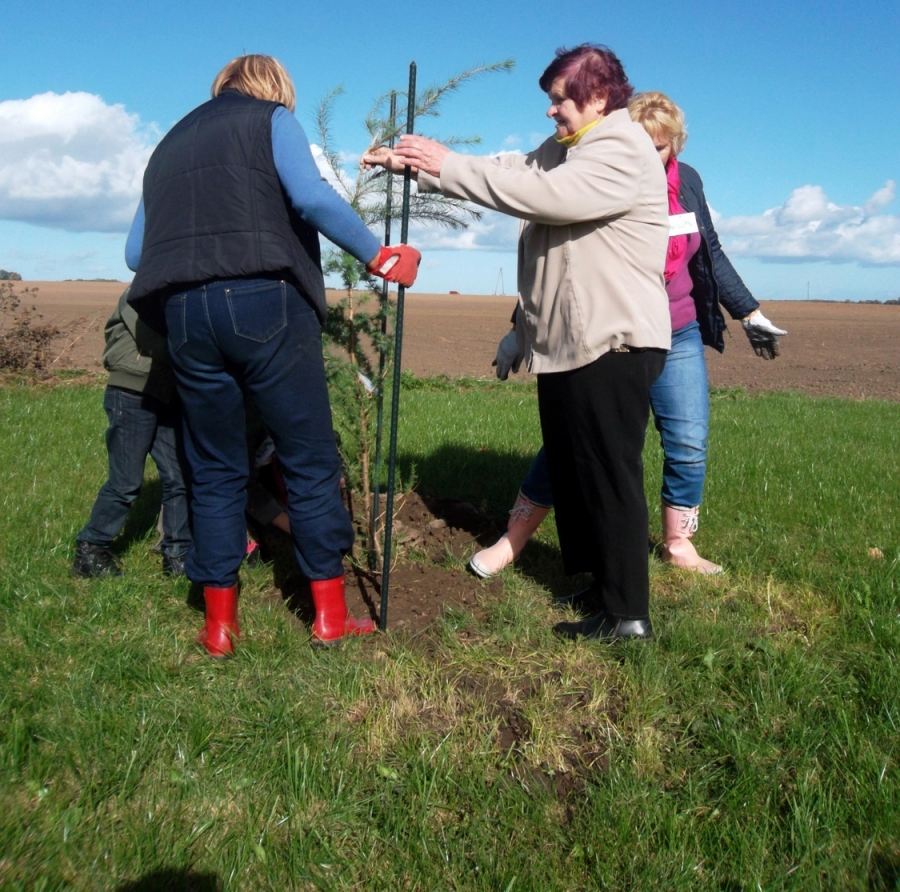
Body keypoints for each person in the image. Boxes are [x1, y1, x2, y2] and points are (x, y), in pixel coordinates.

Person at [365, 44, 670, 641]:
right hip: (570, 342)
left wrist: (447, 163)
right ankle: (603, 585)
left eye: (561, 99)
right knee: (576, 468)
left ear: (600, 96)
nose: (552, 112)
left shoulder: (621, 146)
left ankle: (627, 613)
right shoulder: (568, 149)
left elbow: (547, 197)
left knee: (608, 474)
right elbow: (517, 170)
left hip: (613, 340)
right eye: (550, 101)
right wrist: (420, 166)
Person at [126, 54, 420, 655]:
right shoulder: (270, 121)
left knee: (213, 467)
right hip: (265, 302)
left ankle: (219, 629)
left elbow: (136, 253)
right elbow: (309, 198)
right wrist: (379, 254)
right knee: (308, 457)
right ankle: (330, 619)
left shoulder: (167, 146)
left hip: (184, 315)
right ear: (275, 89)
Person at [471, 90, 787, 589]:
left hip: (677, 331)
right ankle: (515, 536)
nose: (650, 156)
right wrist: (518, 331)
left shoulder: (689, 184)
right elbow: (557, 262)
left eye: (661, 148)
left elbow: (712, 253)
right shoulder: (600, 177)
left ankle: (678, 542)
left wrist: (749, 313)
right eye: (641, 144)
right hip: (611, 332)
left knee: (687, 440)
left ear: (674, 146)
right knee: (577, 436)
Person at [71, 287, 191, 579]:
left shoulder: (174, 288)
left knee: (179, 476)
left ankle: (177, 554)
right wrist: (195, 359)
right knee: (125, 481)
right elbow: (150, 338)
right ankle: (91, 547)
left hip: (164, 392)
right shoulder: (141, 290)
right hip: (131, 391)